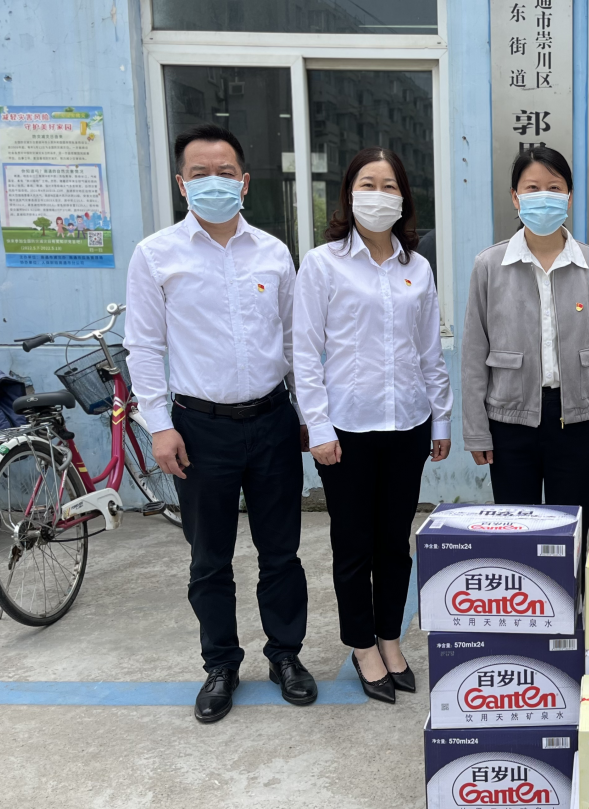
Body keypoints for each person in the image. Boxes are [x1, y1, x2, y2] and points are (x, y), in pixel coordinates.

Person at [124, 124, 315, 723]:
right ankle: (221, 663)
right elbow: (143, 346)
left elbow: (296, 341)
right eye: (200, 173)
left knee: (281, 551)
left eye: (225, 173)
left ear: (245, 181)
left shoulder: (273, 252)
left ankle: (285, 655)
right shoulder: (156, 254)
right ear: (182, 184)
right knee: (209, 557)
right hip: (198, 428)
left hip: (272, 420)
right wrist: (159, 425)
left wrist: (309, 413)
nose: (214, 183)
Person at [293, 147, 452, 703]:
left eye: (389, 185)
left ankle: (390, 637)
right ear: (349, 193)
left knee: (394, 543)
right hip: (348, 429)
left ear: (403, 197)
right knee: (353, 544)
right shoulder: (323, 263)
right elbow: (304, 352)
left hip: (408, 423)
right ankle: (362, 645)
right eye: (368, 183)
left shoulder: (417, 267)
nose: (378, 195)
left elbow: (429, 351)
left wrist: (440, 420)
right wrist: (317, 427)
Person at [462, 145, 589, 548]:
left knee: (568, 534)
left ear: (568, 197)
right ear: (515, 197)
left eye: (554, 188)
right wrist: (476, 432)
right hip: (509, 420)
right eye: (532, 188)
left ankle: (570, 592)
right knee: (516, 535)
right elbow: (473, 356)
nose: (543, 196)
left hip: (575, 420)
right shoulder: (490, 265)